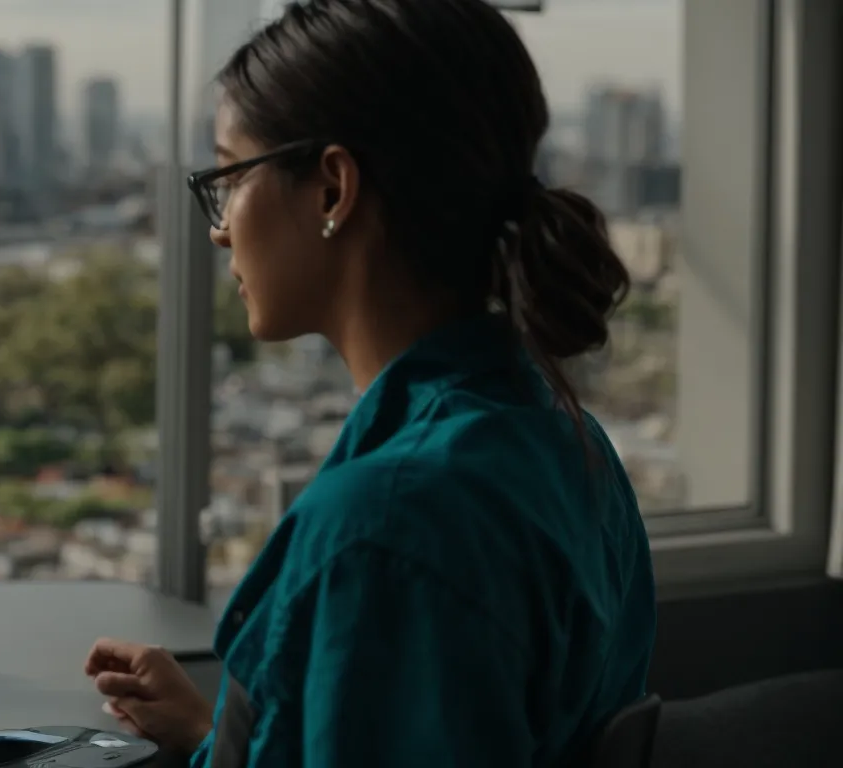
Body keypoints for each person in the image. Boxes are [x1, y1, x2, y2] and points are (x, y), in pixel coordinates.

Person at [85, 0, 657, 766]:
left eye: (230, 176)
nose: (219, 227)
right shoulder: (568, 445)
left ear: (331, 190)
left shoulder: (384, 526)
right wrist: (223, 734)